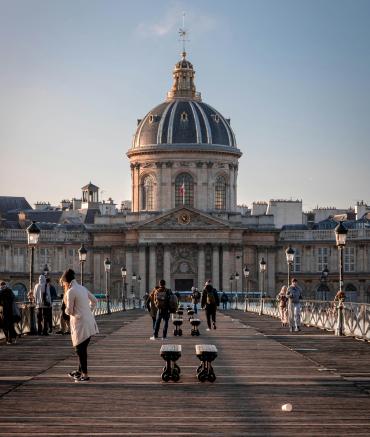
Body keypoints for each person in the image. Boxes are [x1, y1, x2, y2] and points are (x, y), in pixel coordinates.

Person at [61, 268, 98, 382]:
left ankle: (85, 375)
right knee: (82, 349)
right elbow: (95, 301)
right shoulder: (82, 288)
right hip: (89, 322)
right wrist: (88, 311)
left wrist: (65, 310)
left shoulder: (70, 291)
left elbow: (70, 311)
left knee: (79, 350)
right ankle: (79, 371)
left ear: (66, 281)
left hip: (80, 323)